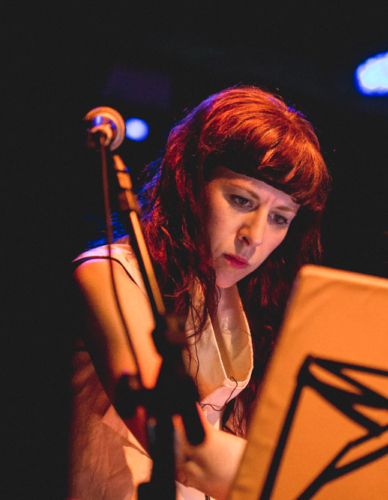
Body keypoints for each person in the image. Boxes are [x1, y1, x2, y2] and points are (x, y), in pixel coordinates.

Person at [68, 85, 331, 500]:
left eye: (280, 218)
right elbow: (185, 450)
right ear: (189, 184)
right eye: (241, 200)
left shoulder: (250, 307)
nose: (255, 236)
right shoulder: (112, 273)